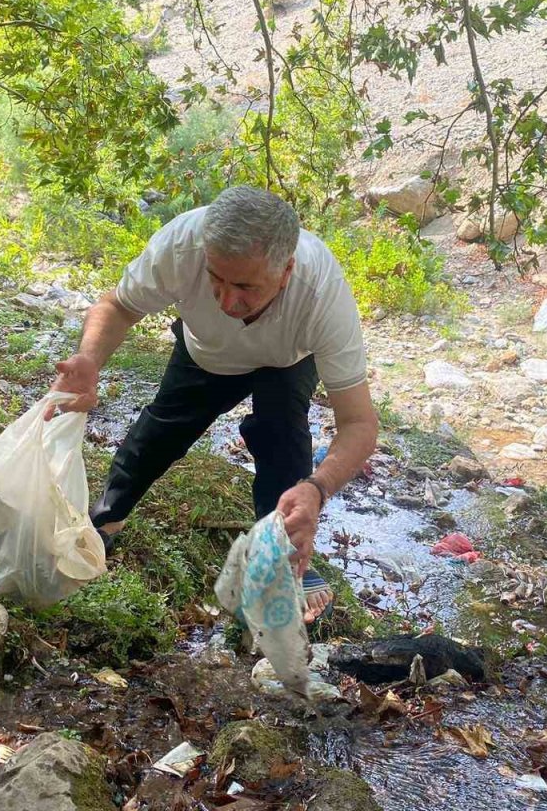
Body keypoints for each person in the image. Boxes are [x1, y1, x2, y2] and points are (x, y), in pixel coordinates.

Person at [49, 186, 378, 623]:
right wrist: (89, 359)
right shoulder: (183, 244)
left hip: (287, 359)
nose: (226, 301)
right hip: (206, 351)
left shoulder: (321, 294)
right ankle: (108, 519)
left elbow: (358, 422)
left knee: (282, 438)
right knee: (164, 428)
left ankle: (279, 555)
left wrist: (317, 489)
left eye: (245, 286)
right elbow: (119, 305)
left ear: (286, 272)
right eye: (215, 279)